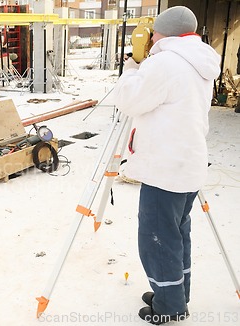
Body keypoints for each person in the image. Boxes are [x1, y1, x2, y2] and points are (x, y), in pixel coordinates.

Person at [113, 6, 221, 325]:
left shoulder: (166, 62)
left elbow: (129, 100)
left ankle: (170, 307)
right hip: (186, 167)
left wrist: (133, 67)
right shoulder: (198, 60)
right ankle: (174, 293)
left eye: (153, 32)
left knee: (158, 240)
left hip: (165, 169)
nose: (151, 38)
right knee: (176, 235)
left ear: (163, 32)